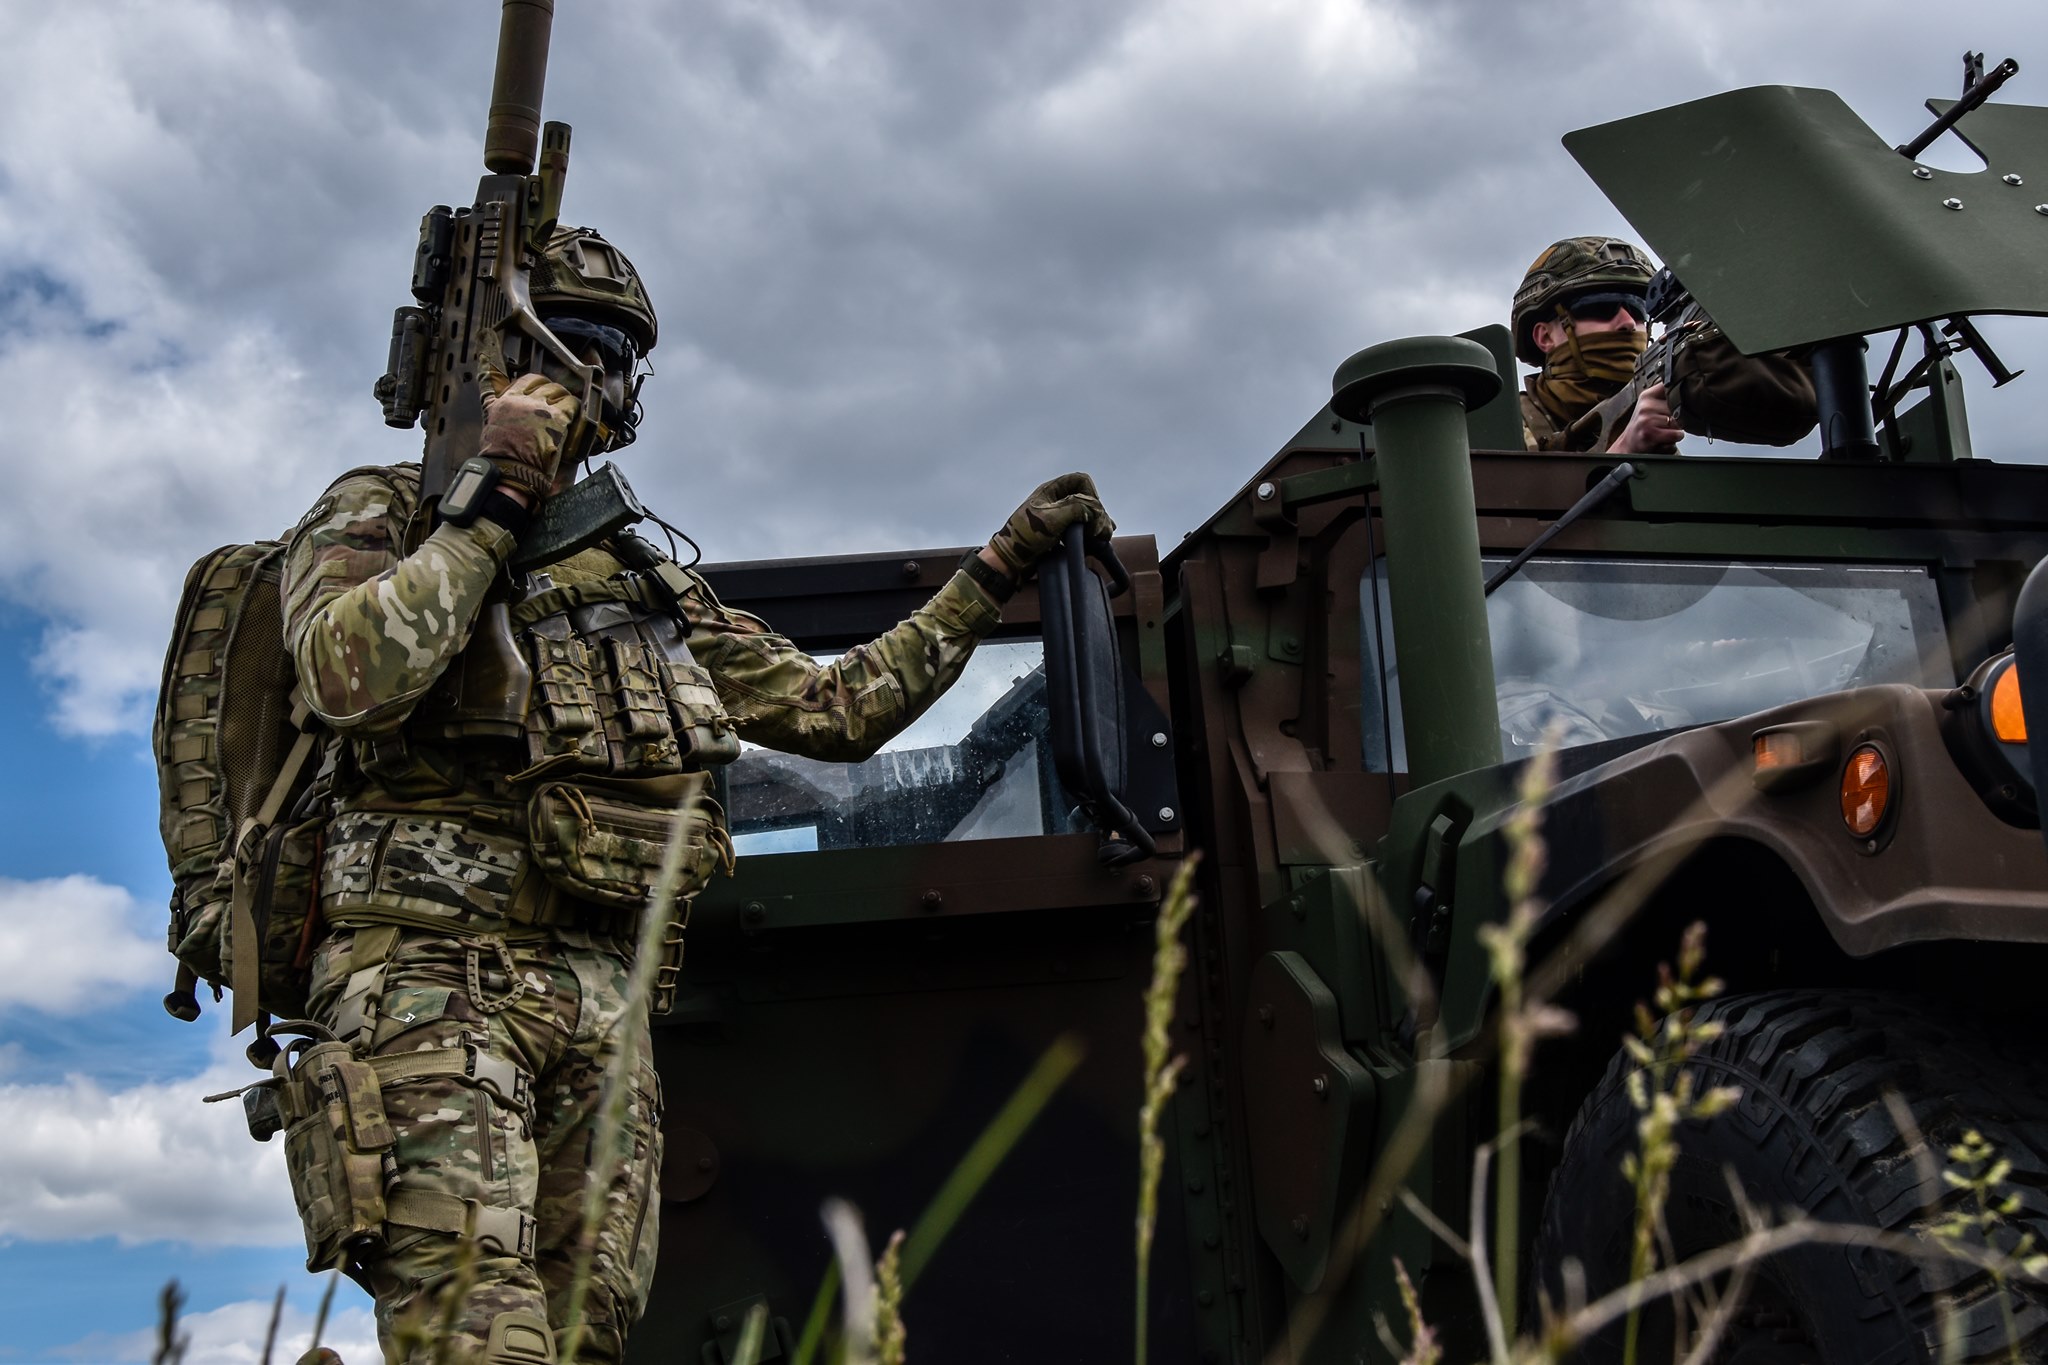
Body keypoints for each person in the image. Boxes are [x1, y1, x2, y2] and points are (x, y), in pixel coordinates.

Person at [277, 225, 1112, 1364]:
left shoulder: (637, 576)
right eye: (570, 346)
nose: (597, 379)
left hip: (602, 1003)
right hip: (430, 977)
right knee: (479, 1336)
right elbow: (348, 674)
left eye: (621, 357)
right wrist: (493, 502)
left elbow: (835, 711)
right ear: (490, 364)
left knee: (586, 1341)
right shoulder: (386, 510)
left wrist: (996, 571)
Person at [1512, 235, 1684, 455]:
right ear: (1545, 337)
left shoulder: (1655, 426)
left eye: (1638, 310)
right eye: (1601, 308)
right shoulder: (1497, 425)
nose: (1628, 323)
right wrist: (1622, 451)